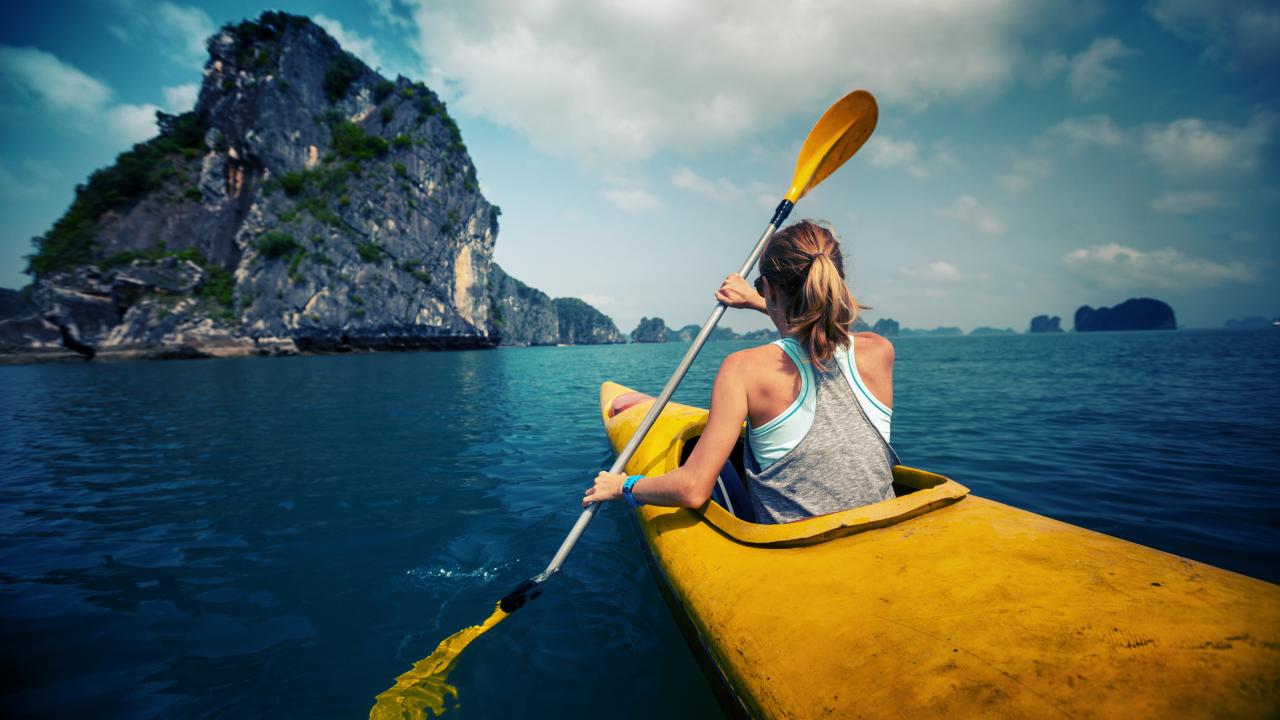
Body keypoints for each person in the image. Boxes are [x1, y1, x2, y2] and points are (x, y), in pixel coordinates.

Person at [583, 220, 899, 523]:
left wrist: (622, 487)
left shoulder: (743, 370)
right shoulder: (879, 351)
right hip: (886, 536)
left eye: (762, 286)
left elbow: (693, 489)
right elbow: (826, 330)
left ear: (771, 290)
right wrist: (760, 300)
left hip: (802, 556)